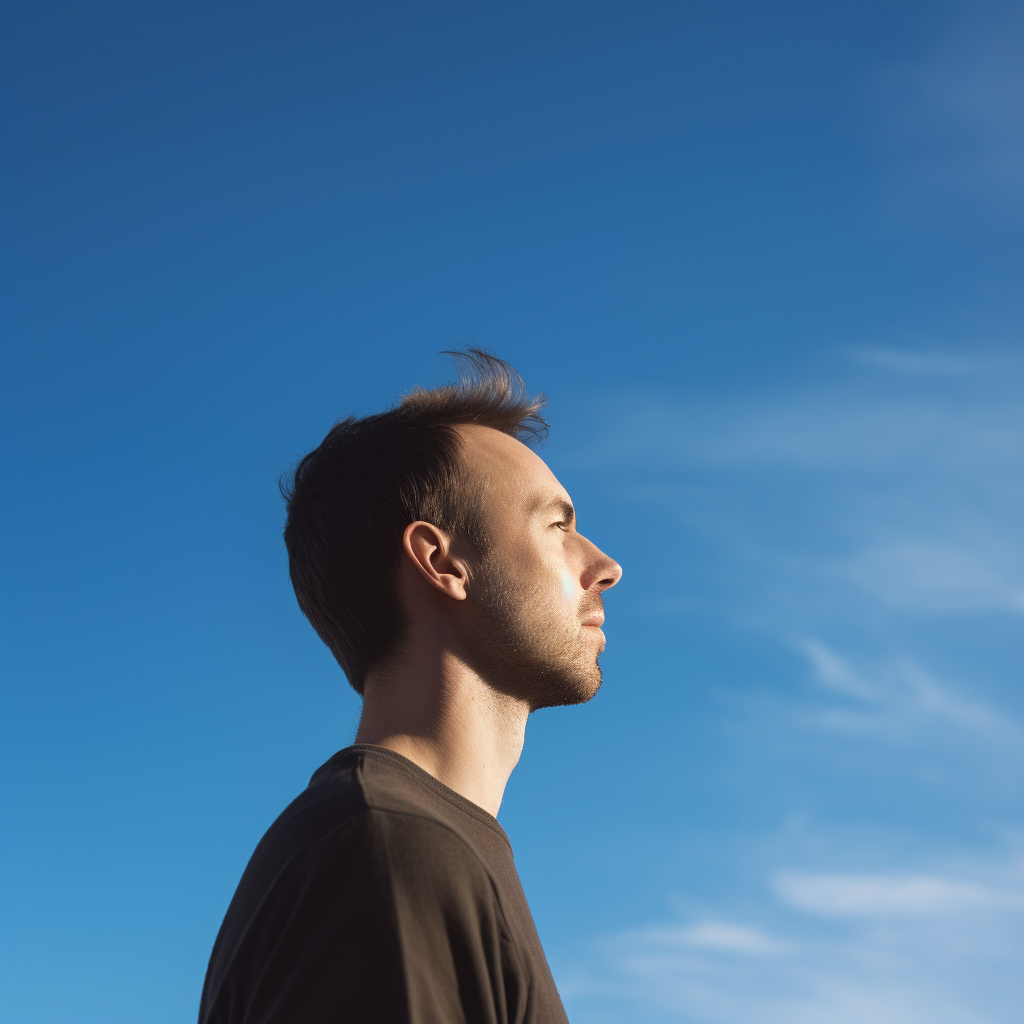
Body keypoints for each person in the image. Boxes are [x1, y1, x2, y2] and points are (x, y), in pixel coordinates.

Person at [198, 350, 622, 1024]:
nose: (605, 565)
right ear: (440, 561)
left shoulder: (405, 839)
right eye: (557, 526)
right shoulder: (392, 846)